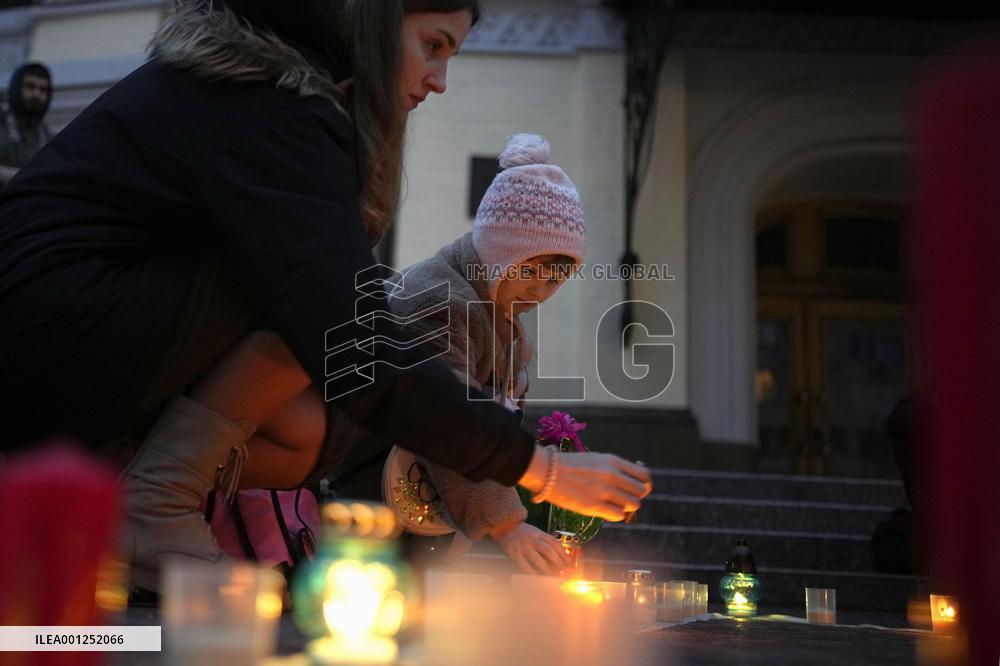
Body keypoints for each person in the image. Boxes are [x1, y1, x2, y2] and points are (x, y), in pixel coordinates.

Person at [0, 0, 651, 591]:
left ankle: (118, 486)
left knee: (316, 430)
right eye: (433, 44)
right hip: (39, 339)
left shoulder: (286, 102)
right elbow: (349, 333)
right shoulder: (268, 104)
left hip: (75, 339)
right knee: (315, 310)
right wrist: (541, 471)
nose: (440, 80)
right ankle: (151, 505)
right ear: (373, 19)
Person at [388, 133, 582, 574]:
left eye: (554, 279)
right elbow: (445, 418)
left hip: (424, 507)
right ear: (497, 252)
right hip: (372, 505)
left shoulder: (499, 311)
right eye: (529, 270)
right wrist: (509, 525)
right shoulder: (441, 301)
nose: (539, 290)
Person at [0, 62, 53, 187]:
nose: (36, 94)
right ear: (17, 87)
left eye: (43, 89)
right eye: (30, 86)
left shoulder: (49, 139)